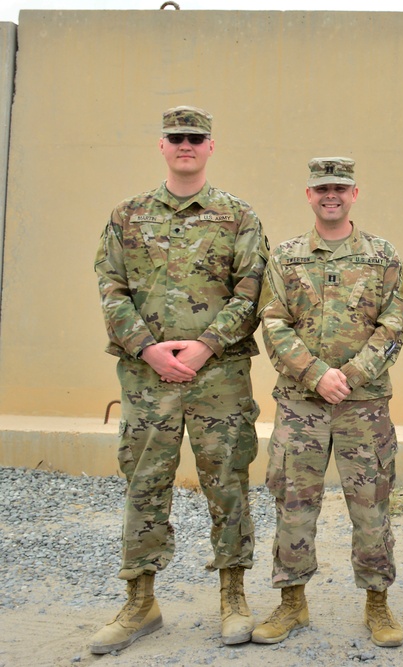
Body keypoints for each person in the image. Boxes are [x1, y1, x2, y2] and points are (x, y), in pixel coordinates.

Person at [92, 105, 266, 653]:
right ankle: (141, 602)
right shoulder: (127, 216)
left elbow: (251, 291)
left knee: (228, 484)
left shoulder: (239, 217)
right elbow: (110, 288)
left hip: (220, 376)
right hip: (148, 379)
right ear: (162, 146)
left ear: (211, 147)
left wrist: (204, 345)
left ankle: (233, 595)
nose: (185, 145)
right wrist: (148, 349)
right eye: (176, 138)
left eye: (195, 137)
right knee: (144, 484)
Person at [251, 158, 403, 648]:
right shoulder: (287, 257)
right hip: (302, 407)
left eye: (339, 188)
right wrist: (317, 375)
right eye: (322, 189)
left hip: (363, 407)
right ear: (309, 195)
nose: (331, 196)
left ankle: (378, 605)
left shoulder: (382, 256)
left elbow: (394, 323)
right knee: (294, 504)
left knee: (371, 508)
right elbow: (272, 323)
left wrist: (352, 375)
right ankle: (292, 603)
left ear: (355, 194)